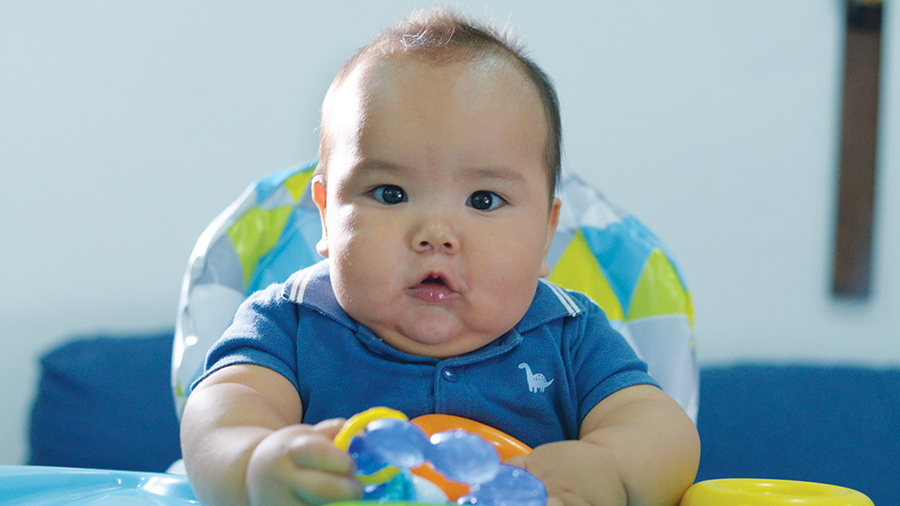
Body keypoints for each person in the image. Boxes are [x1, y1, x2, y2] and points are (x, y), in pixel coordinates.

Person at [180, 8, 700, 506]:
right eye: (389, 193)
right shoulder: (289, 325)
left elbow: (662, 430)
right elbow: (218, 416)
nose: (435, 234)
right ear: (326, 217)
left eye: (483, 200)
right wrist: (254, 467)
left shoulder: (571, 337)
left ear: (546, 233)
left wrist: (610, 470)